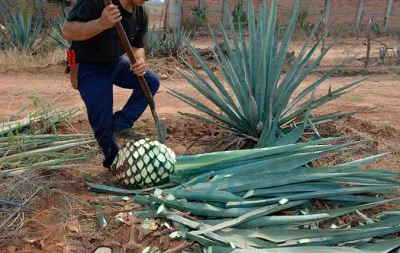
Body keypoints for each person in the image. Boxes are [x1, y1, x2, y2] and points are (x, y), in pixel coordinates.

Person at [63, 0, 160, 169]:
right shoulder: (97, 2)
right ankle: (114, 160)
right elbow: (68, 31)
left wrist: (140, 59)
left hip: (115, 64)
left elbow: (138, 46)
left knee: (151, 81)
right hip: (89, 68)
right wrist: (102, 23)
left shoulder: (140, 13)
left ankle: (121, 123)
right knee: (102, 122)